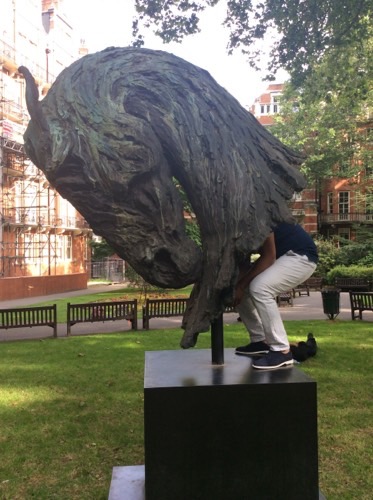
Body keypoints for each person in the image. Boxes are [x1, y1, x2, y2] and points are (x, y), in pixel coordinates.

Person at [234, 222, 318, 370]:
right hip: (282, 256)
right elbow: (243, 265)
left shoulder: (257, 215)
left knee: (260, 288)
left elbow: (269, 256)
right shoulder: (236, 227)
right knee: (242, 290)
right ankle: (259, 340)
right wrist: (237, 287)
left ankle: (281, 350)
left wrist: (241, 285)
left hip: (301, 256)